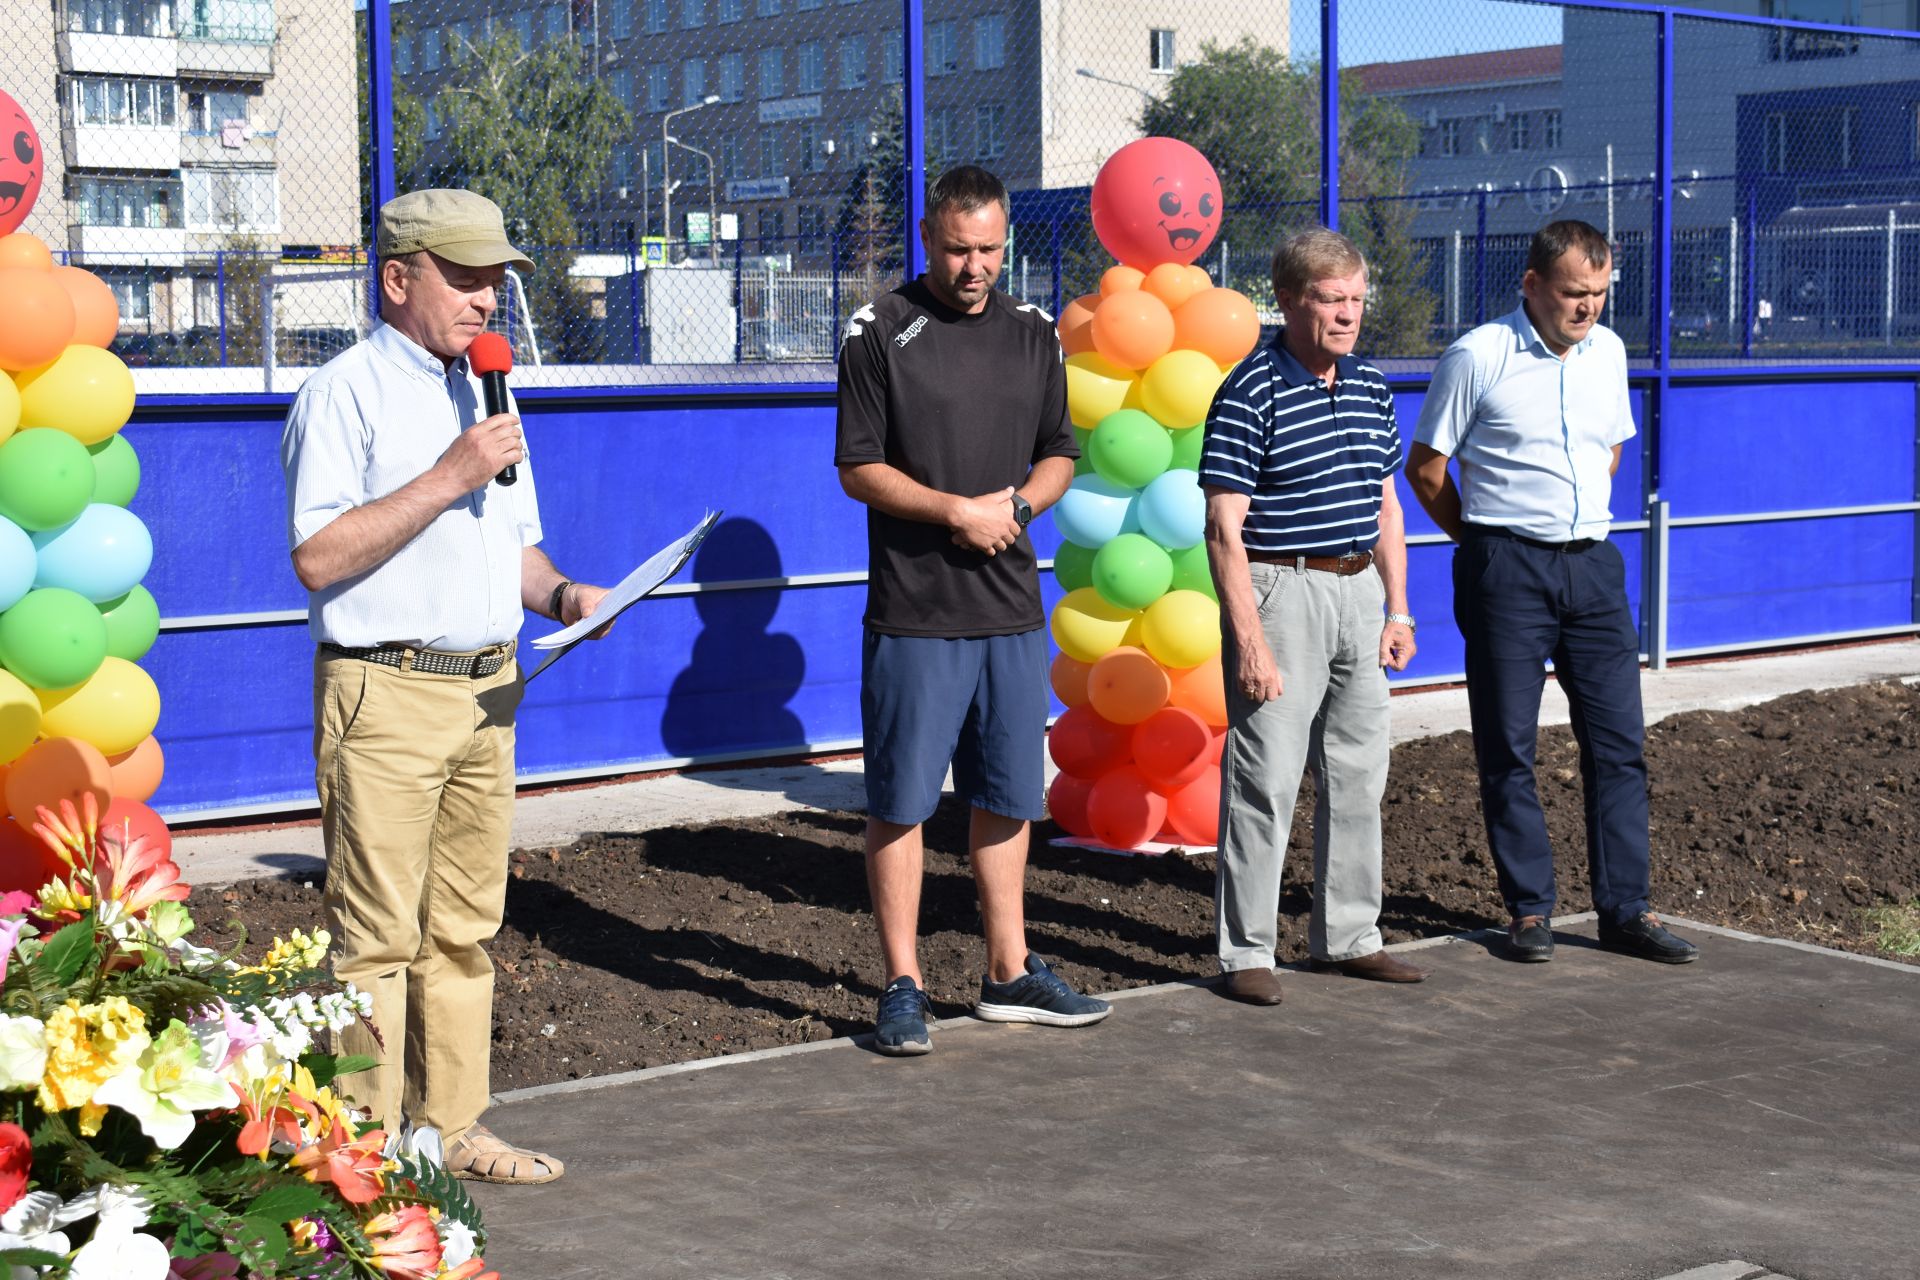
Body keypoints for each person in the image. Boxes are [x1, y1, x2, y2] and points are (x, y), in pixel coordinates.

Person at [281, 188, 612, 1183]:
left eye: (496, 279)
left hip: (487, 690)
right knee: (375, 943)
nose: (487, 299)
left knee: (464, 930)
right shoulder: (342, 394)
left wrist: (562, 593)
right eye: (465, 278)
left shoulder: (485, 391)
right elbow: (317, 555)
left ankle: (453, 1125)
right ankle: (364, 1155)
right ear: (396, 278)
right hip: (386, 692)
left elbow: (511, 540)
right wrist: (446, 475)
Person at [834, 165, 1111, 1055]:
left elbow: (1060, 452)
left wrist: (1019, 510)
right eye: (959, 249)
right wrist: (956, 511)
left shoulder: (1034, 333)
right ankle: (903, 985)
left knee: (1006, 796)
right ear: (928, 238)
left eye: (990, 248)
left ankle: (1008, 972)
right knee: (902, 803)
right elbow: (858, 468)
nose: (975, 266)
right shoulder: (879, 329)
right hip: (915, 612)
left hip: (1011, 610)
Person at [1407, 218, 1698, 966]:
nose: (1588, 309)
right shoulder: (1478, 354)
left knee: (1620, 745)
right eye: (1574, 293)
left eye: (1600, 294)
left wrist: (1578, 516)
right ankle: (1530, 910)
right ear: (1532, 284)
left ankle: (1626, 910)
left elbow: (1611, 445)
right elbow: (1427, 468)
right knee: (1509, 745)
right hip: (1506, 565)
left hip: (1594, 566)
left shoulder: (1608, 351)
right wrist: (1482, 542)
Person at [1201, 228, 1425, 1007]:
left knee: (1361, 773)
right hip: (1281, 589)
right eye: (1332, 301)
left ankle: (1351, 937)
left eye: (1358, 300)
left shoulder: (1369, 385)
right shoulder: (1249, 388)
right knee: (1265, 778)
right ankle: (1247, 952)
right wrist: (1251, 643)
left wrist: (1398, 609)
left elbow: (1387, 506)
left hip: (1359, 589)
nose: (1348, 316)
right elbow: (1224, 528)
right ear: (1289, 300)